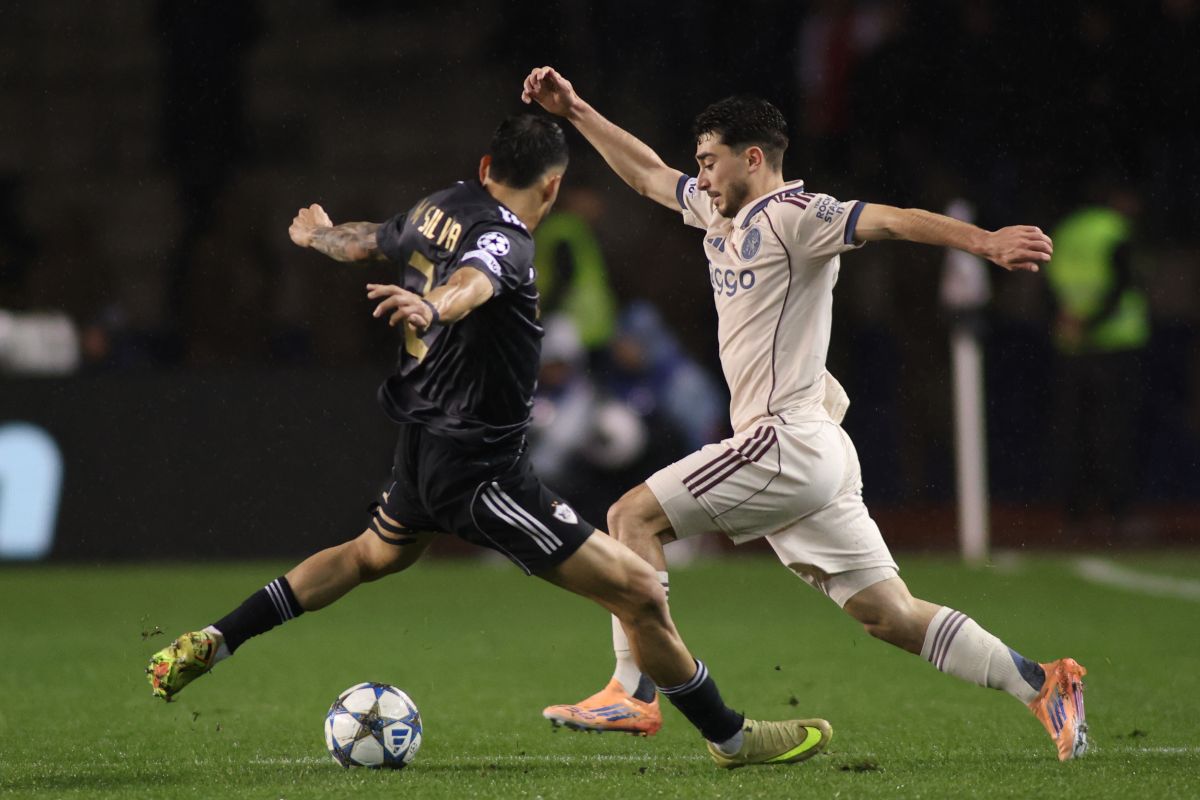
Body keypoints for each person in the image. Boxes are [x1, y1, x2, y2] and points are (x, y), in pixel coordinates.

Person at [145, 114, 831, 770]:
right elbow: (476, 281)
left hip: (423, 445)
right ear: (554, 188)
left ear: (483, 168)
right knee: (640, 593)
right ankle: (731, 737)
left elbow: (363, 241)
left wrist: (318, 236)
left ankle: (218, 638)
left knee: (368, 556)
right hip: (483, 474)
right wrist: (434, 305)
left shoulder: (436, 207)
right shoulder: (510, 239)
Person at [522, 66, 1089, 761]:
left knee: (629, 517)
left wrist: (986, 242)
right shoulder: (717, 211)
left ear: (752, 158)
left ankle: (633, 691)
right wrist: (576, 109)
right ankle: (1042, 682)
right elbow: (645, 174)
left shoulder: (796, 214)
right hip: (807, 452)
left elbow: (885, 219)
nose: (698, 177)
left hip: (783, 440)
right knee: (890, 615)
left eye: (709, 162)